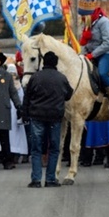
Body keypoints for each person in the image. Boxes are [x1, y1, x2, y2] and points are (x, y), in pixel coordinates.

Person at [21, 51, 73, 188]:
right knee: (54, 148)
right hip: (55, 117)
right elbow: (69, 94)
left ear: (43, 62)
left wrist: (25, 113)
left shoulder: (35, 77)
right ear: (56, 63)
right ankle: (51, 179)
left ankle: (36, 179)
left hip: (37, 115)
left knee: (36, 149)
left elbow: (27, 97)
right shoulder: (61, 78)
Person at [79, 0, 109, 114]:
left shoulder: (104, 23)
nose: (82, 18)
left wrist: (92, 55)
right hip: (92, 53)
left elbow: (107, 43)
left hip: (106, 53)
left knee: (102, 73)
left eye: (83, 15)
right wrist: (82, 55)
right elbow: (86, 43)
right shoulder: (87, 24)